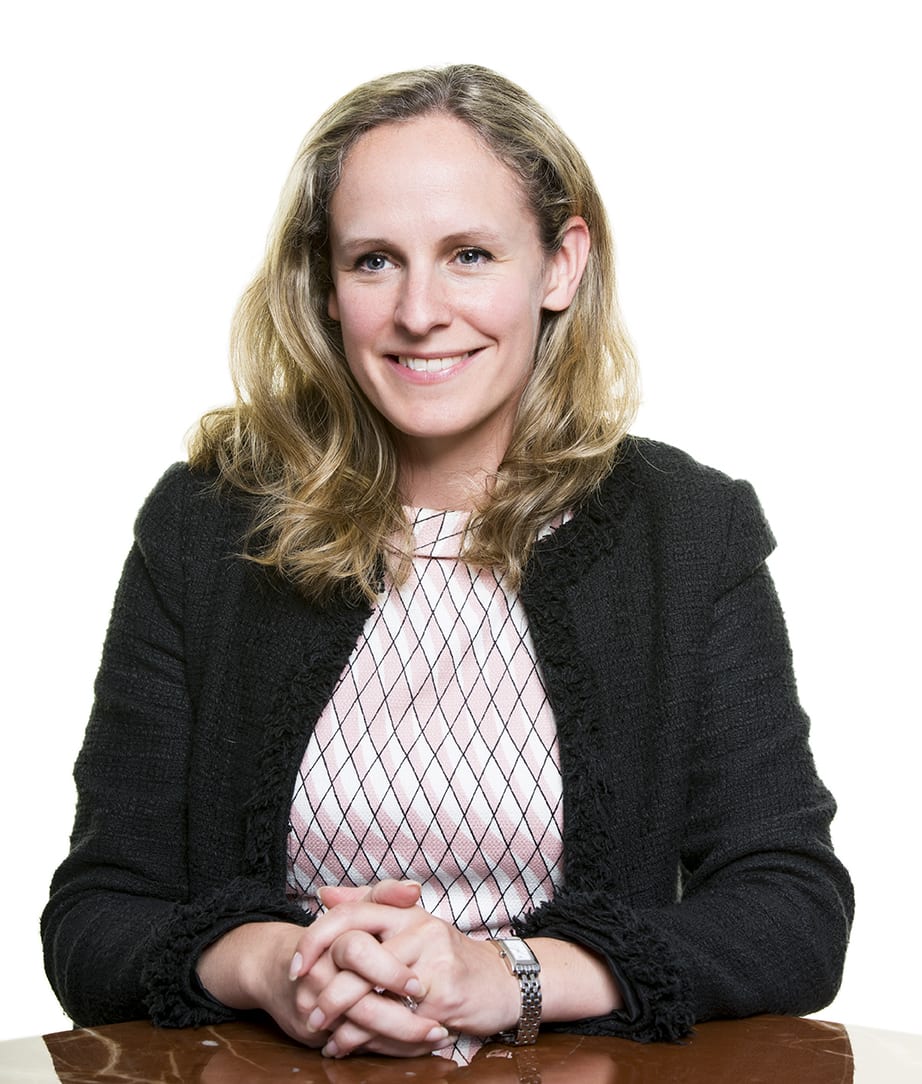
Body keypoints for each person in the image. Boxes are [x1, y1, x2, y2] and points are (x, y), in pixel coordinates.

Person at [41, 64, 853, 1061]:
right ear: (326, 287)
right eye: (375, 260)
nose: (420, 309)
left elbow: (793, 910)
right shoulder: (204, 525)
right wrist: (270, 962)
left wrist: (506, 973)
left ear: (559, 266)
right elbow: (93, 917)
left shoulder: (685, 533)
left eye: (468, 254)